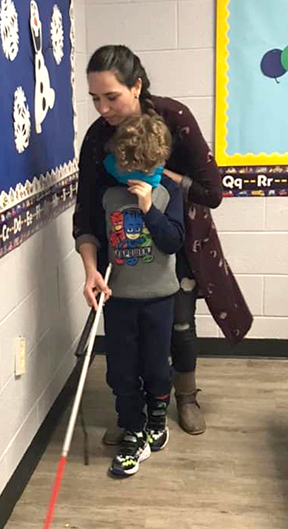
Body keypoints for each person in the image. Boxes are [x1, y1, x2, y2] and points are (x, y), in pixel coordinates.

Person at [73, 45, 253, 446]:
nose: (102, 108)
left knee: (179, 322)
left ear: (135, 86)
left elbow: (212, 192)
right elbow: (85, 214)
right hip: (122, 245)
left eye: (112, 96)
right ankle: (132, 413)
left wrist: (156, 176)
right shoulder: (97, 137)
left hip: (178, 234)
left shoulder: (174, 118)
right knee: (127, 338)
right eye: (94, 99)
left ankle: (185, 396)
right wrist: (90, 270)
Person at [96, 113, 184, 477]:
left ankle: (157, 419)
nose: (135, 174)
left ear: (159, 163)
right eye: (127, 165)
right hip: (118, 298)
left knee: (155, 366)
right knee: (121, 369)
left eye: (146, 167)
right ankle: (132, 428)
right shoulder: (109, 193)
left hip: (159, 297)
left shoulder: (168, 192)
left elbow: (172, 241)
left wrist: (149, 209)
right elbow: (101, 243)